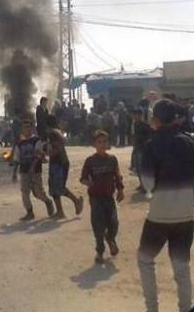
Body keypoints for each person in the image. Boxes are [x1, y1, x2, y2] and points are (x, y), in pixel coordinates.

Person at [131, 99, 194, 312]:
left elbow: (148, 183)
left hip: (160, 215)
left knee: (145, 259)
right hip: (185, 214)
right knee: (182, 267)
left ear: (156, 119)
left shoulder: (151, 145)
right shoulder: (189, 142)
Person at [80, 130, 125, 264]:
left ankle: (110, 239)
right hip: (96, 198)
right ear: (94, 144)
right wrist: (88, 182)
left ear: (108, 143)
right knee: (98, 225)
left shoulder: (112, 159)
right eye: (99, 142)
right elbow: (83, 178)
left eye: (104, 141)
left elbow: (117, 176)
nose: (102, 144)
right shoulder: (90, 161)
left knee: (114, 223)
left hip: (109, 197)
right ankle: (100, 251)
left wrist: (120, 190)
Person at [12, 118, 55, 220]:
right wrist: (14, 173)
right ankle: (30, 212)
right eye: (25, 127)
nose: (27, 129)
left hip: (35, 171)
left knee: (39, 192)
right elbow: (17, 159)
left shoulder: (36, 140)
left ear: (32, 129)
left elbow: (38, 155)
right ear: (22, 129)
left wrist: (32, 166)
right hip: (24, 171)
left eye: (28, 127)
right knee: (25, 193)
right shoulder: (19, 144)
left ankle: (48, 201)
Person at [46, 115, 84, 219]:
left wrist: (47, 154)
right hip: (59, 162)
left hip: (59, 163)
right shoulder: (57, 132)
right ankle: (60, 212)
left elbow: (57, 148)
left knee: (58, 187)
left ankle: (76, 201)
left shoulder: (53, 133)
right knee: (54, 189)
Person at [131, 108, 152, 193]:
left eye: (137, 115)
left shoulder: (145, 125)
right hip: (137, 148)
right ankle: (141, 184)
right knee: (138, 168)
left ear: (141, 115)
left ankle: (145, 186)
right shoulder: (135, 124)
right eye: (134, 115)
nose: (135, 117)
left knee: (143, 168)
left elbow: (149, 137)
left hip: (143, 149)